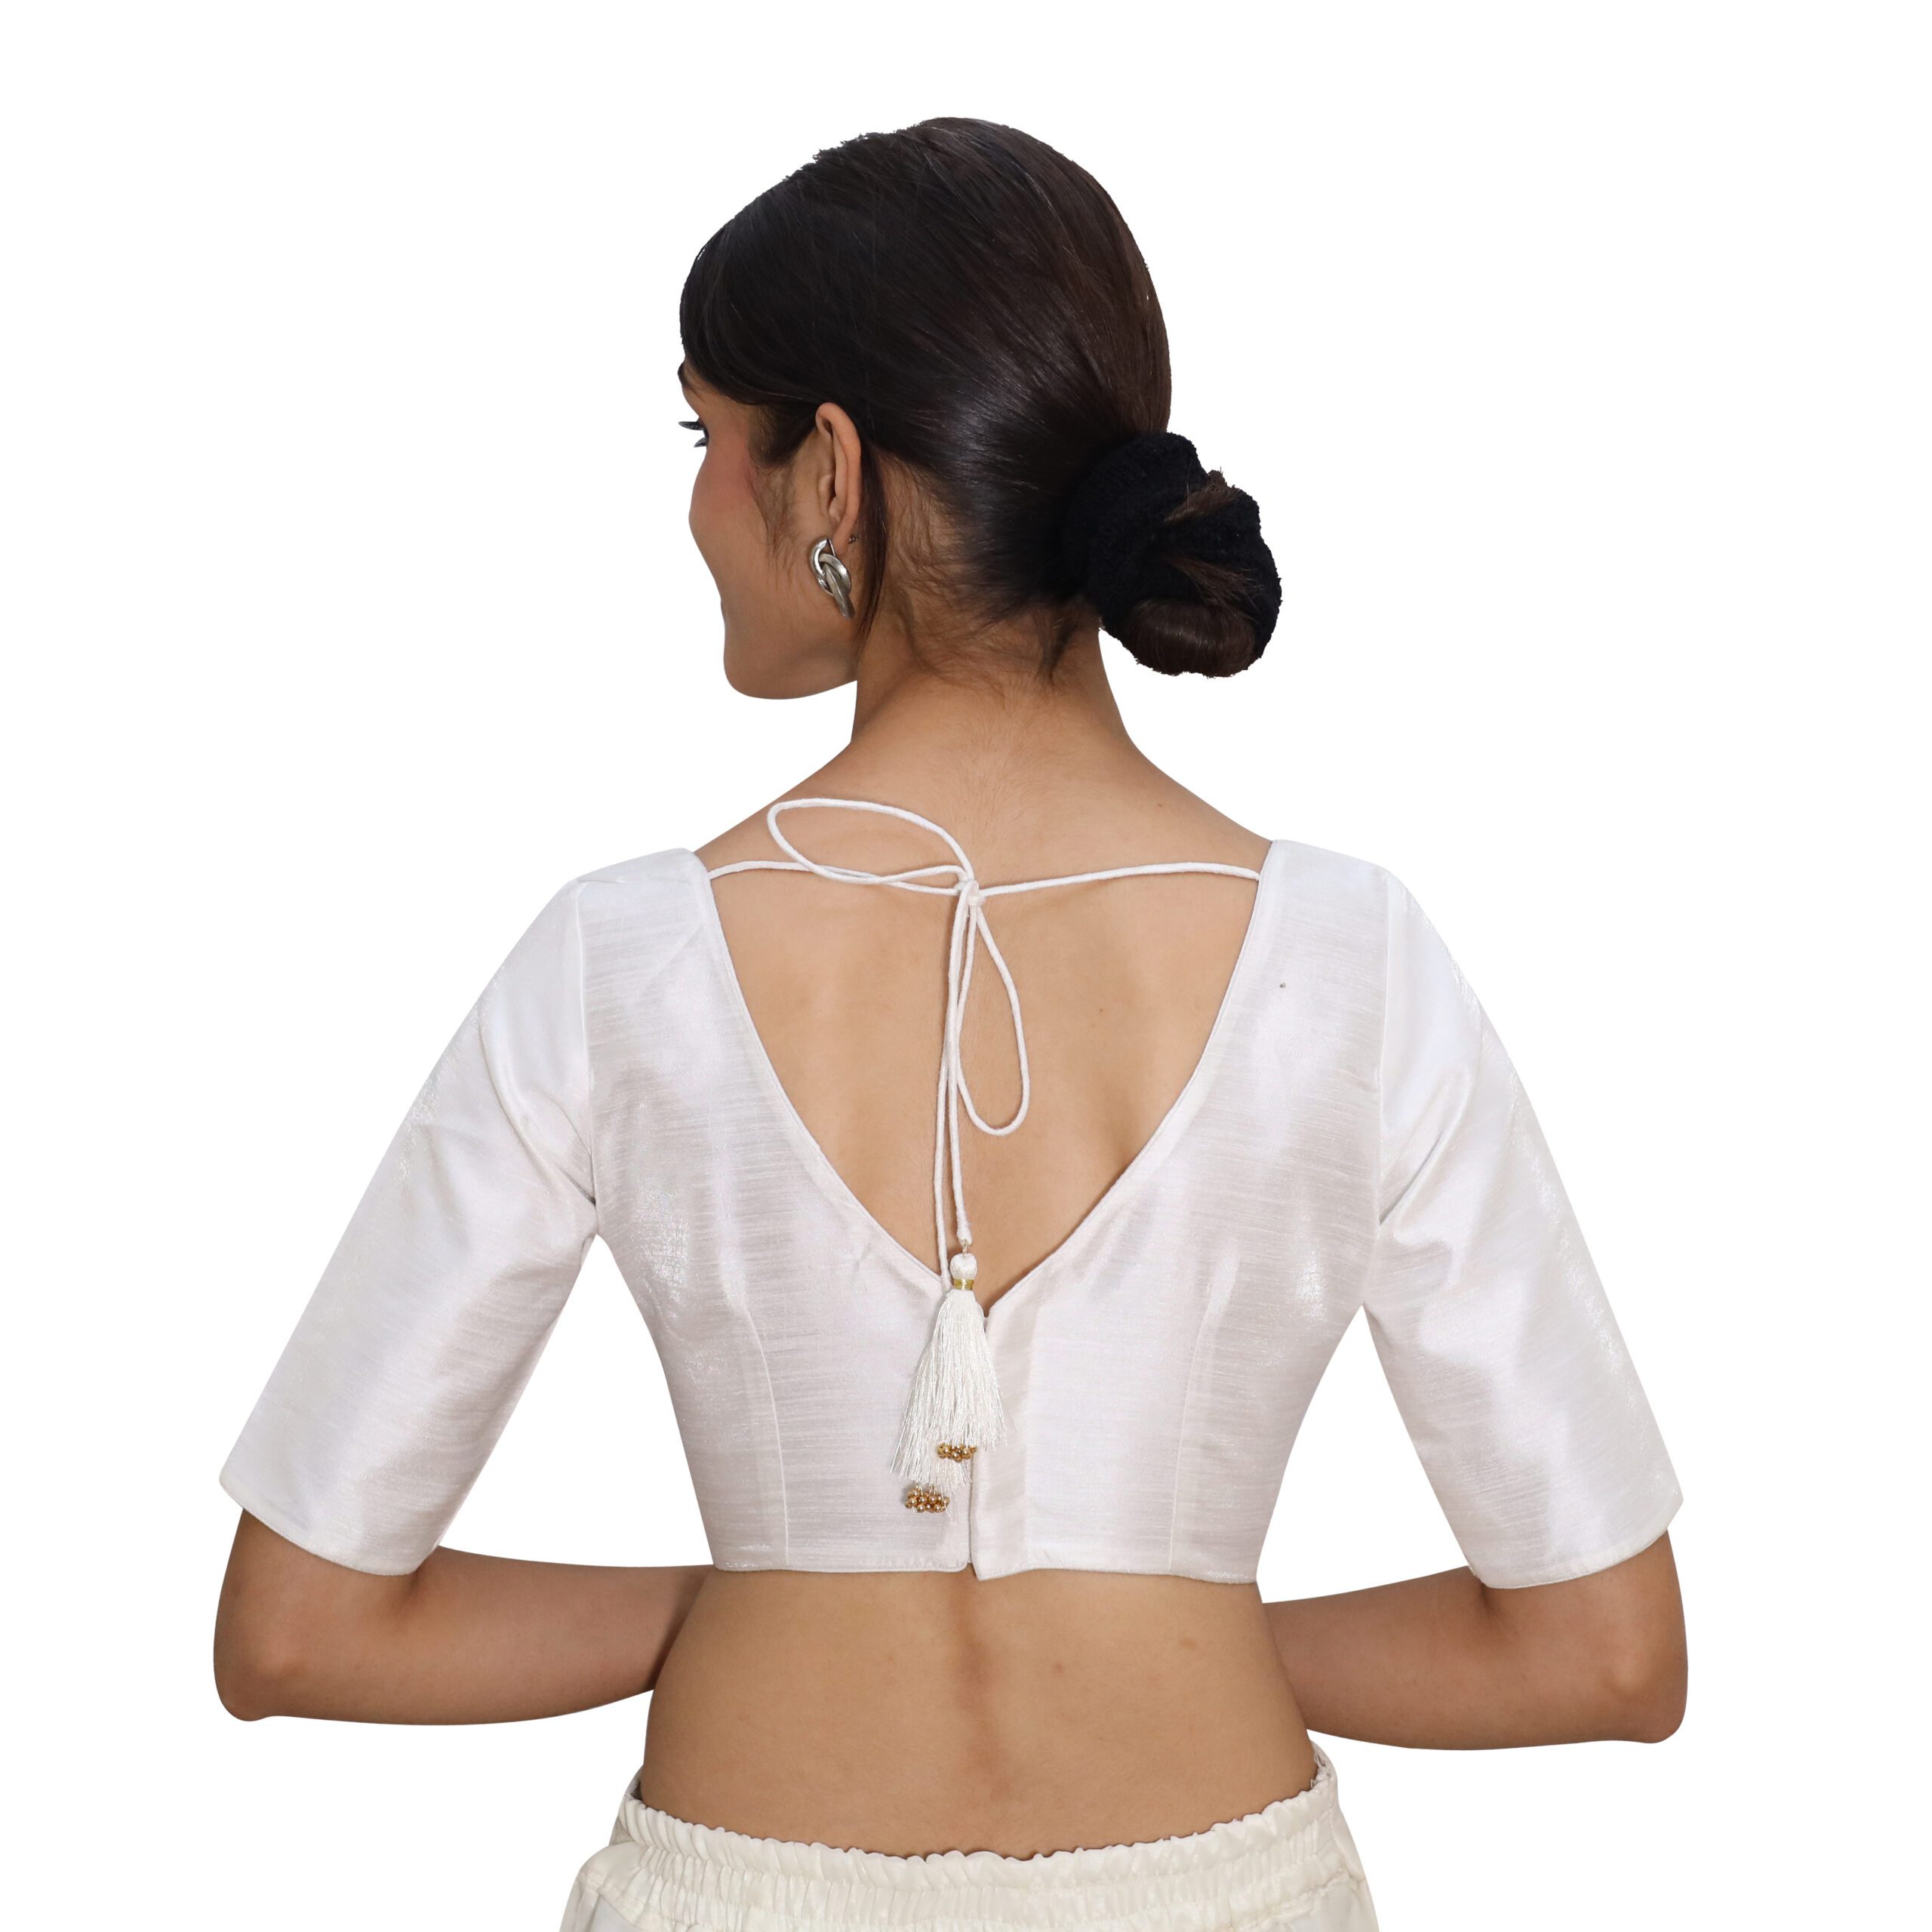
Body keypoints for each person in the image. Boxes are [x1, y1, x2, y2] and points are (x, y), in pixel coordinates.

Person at [212, 118, 1687, 1931]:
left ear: (830, 469)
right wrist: (1171, 1619)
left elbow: (301, 1627)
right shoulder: (1354, 960)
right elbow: (1602, 1650)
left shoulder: (619, 960)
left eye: (703, 438)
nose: (696, 505)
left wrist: (761, 1605)